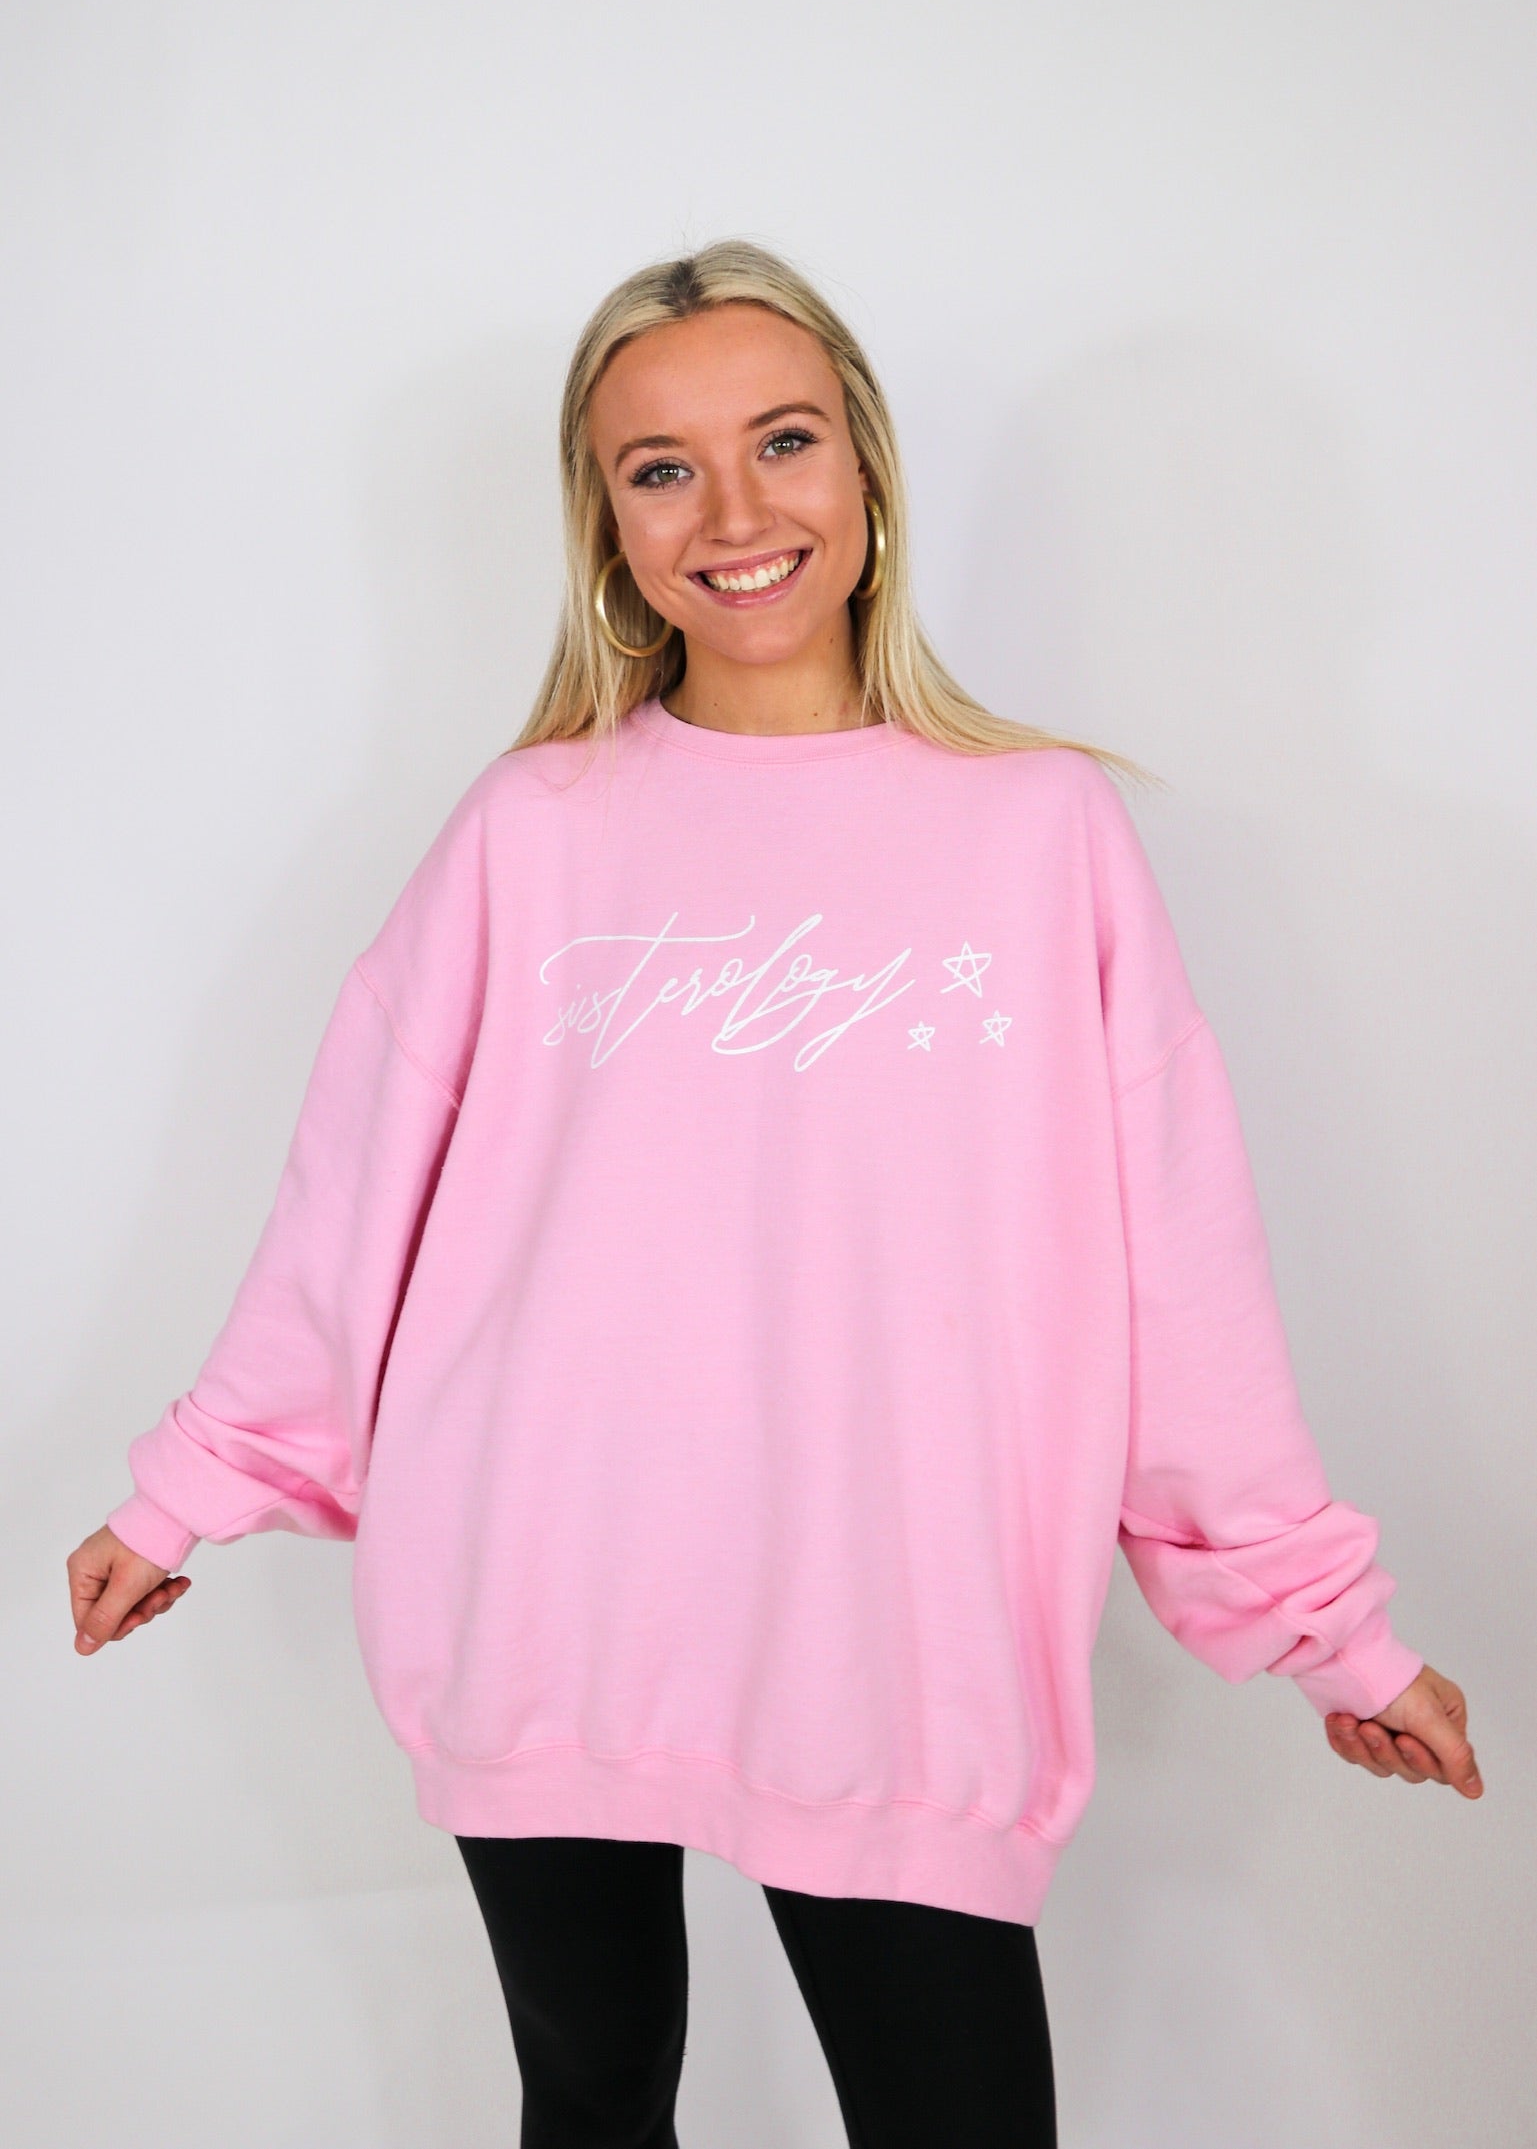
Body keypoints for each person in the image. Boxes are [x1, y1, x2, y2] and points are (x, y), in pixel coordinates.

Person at [68, 240, 1482, 2148]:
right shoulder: (531, 828)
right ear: (607, 527)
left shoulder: (1040, 830)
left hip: (894, 1635)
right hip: (545, 1591)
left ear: (868, 469)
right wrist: (189, 1485)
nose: (734, 514)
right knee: (590, 2096)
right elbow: (352, 1193)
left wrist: (1329, 1629)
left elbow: (1183, 1272)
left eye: (784, 440)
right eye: (661, 468)